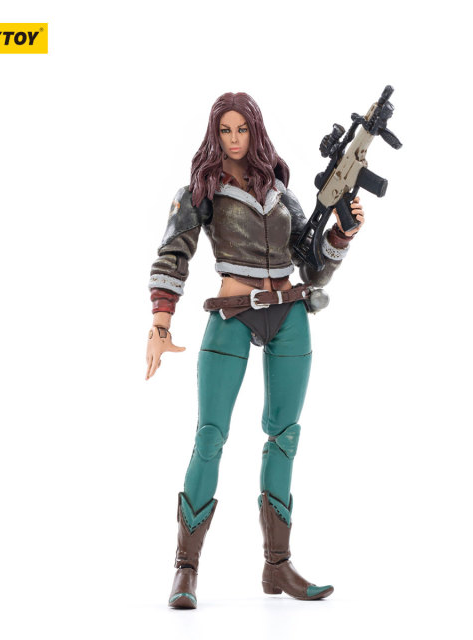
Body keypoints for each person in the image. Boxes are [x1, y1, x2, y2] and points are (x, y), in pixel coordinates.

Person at [145, 92, 364, 608]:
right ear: (214, 133)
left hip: (290, 314)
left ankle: (277, 567)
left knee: (284, 437)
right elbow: (174, 253)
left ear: (256, 131)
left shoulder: (281, 193)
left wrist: (341, 234)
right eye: (225, 130)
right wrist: (159, 323)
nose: (234, 139)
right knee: (210, 436)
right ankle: (186, 568)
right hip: (232, 313)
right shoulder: (202, 191)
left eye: (242, 129)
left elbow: (311, 267)